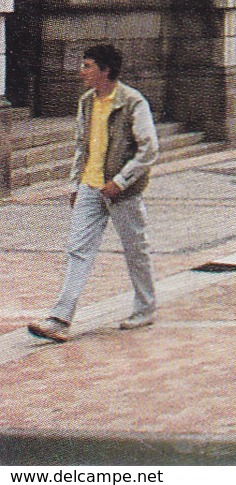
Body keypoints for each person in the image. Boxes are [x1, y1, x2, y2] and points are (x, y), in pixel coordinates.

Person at [28, 45, 159, 342]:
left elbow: (149, 149)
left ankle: (146, 307)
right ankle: (60, 318)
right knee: (78, 250)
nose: (82, 71)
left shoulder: (132, 102)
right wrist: (76, 185)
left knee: (135, 248)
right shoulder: (86, 102)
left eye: (87, 66)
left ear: (105, 70)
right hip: (90, 185)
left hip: (122, 191)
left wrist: (121, 181)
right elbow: (81, 145)